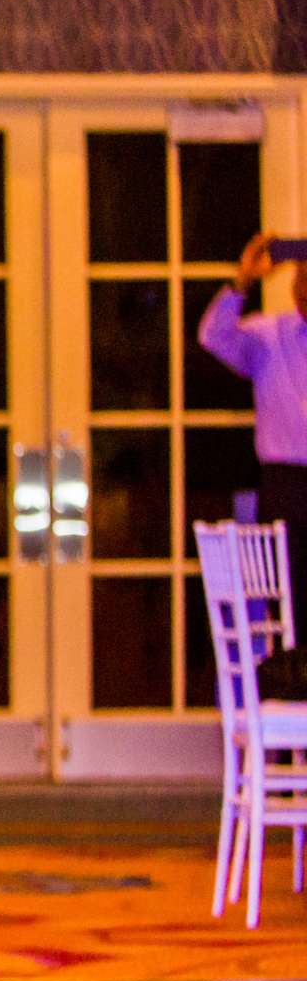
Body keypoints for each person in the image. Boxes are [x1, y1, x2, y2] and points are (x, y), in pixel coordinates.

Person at [200, 231, 307, 692]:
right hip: (288, 487)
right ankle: (291, 734)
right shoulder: (270, 334)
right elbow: (214, 336)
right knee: (290, 609)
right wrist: (242, 282)